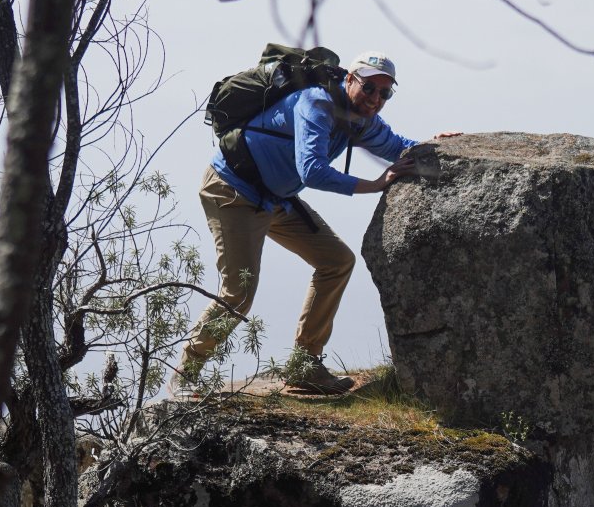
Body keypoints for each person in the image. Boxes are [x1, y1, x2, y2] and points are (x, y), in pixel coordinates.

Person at [175, 50, 450, 396]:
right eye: (369, 88)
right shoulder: (316, 104)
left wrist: (436, 146)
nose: (375, 99)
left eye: (385, 93)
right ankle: (185, 374)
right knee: (238, 292)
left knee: (337, 261)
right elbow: (312, 170)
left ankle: (304, 367)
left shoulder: (361, 118)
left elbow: (397, 147)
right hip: (233, 191)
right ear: (349, 80)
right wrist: (375, 185)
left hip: (275, 197)